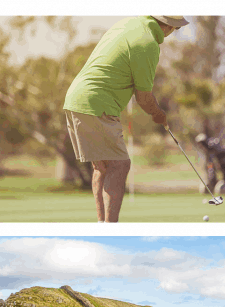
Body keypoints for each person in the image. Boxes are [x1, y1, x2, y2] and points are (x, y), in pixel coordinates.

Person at [63, 15, 188, 222]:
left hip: (76, 98)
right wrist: (160, 115)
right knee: (119, 165)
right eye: (175, 28)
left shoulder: (128, 23)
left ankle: (103, 226)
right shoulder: (148, 43)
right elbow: (144, 98)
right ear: (169, 27)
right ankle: (110, 227)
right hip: (98, 103)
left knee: (102, 167)